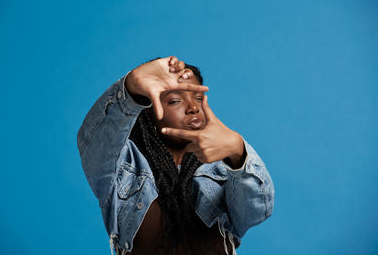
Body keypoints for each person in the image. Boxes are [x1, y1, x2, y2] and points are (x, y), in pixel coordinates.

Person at [77, 56, 274, 255]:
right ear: (149, 112)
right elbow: (95, 143)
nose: (193, 108)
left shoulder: (223, 164)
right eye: (175, 101)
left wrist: (238, 152)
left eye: (198, 98)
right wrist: (129, 91)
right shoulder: (124, 163)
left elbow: (254, 213)